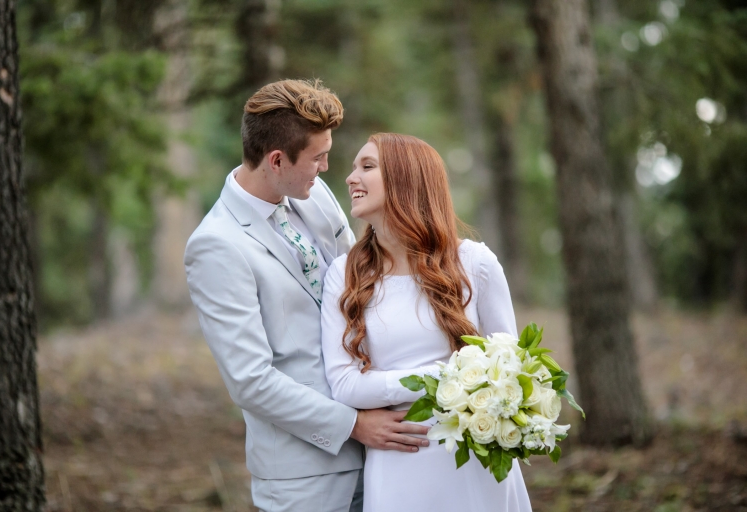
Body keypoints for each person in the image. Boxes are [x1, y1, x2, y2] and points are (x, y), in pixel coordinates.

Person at [184, 81, 431, 512]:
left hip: (386, 458)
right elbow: (250, 380)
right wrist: (354, 424)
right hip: (307, 476)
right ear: (277, 160)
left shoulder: (313, 194)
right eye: (318, 158)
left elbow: (359, 285)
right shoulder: (215, 245)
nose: (327, 168)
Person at [321, 133, 533, 512]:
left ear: (407, 179)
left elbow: (510, 369)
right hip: (400, 458)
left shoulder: (475, 263)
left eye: (367, 167)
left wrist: (408, 386)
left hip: (475, 457)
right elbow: (345, 385)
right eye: (354, 168)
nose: (351, 177)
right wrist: (446, 378)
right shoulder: (345, 273)